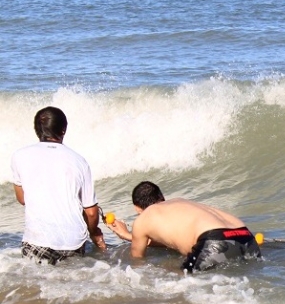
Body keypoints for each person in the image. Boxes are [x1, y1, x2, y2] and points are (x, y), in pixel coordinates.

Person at [10, 106, 105, 264]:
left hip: (37, 240)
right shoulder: (79, 161)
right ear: (63, 130)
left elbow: (22, 199)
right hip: (73, 241)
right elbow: (91, 212)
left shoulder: (19, 156)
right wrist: (94, 232)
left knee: (37, 286)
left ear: (37, 130)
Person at [108, 181, 261, 272]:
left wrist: (130, 235)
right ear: (162, 198)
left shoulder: (143, 219)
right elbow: (176, 239)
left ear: (137, 208)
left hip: (213, 240)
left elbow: (137, 261)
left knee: (173, 279)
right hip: (245, 236)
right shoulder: (179, 202)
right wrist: (129, 236)